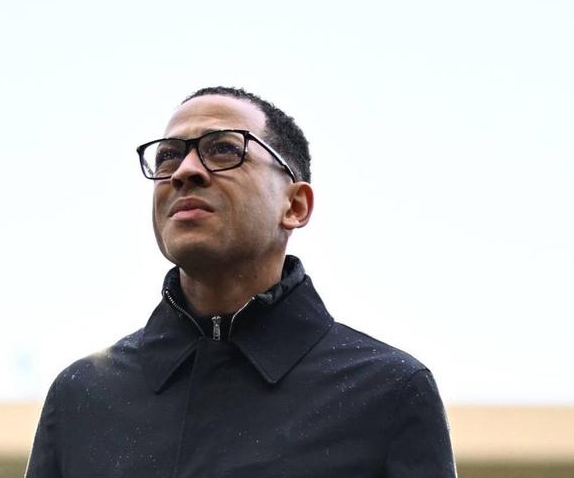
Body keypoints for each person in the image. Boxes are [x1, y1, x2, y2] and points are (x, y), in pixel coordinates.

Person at [25, 86, 457, 477]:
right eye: (168, 156)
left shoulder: (388, 391)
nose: (184, 171)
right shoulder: (81, 396)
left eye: (223, 149)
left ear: (295, 206)